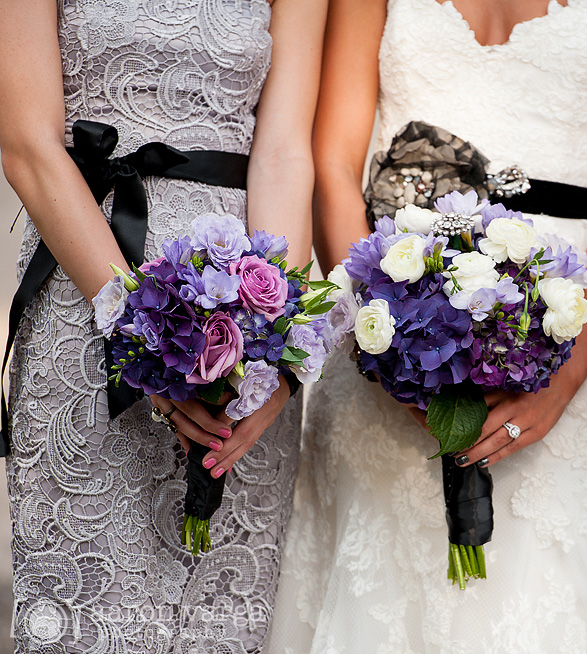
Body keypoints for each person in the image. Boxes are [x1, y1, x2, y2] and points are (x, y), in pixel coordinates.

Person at [267, 0, 587, 652]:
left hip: (570, 327)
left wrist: (561, 381)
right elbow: (332, 166)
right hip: (391, 319)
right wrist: (377, 340)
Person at [0, 1, 325, 651]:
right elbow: (28, 145)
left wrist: (272, 346)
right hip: (86, 308)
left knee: (219, 622)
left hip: (241, 327)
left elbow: (285, 151)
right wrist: (139, 334)